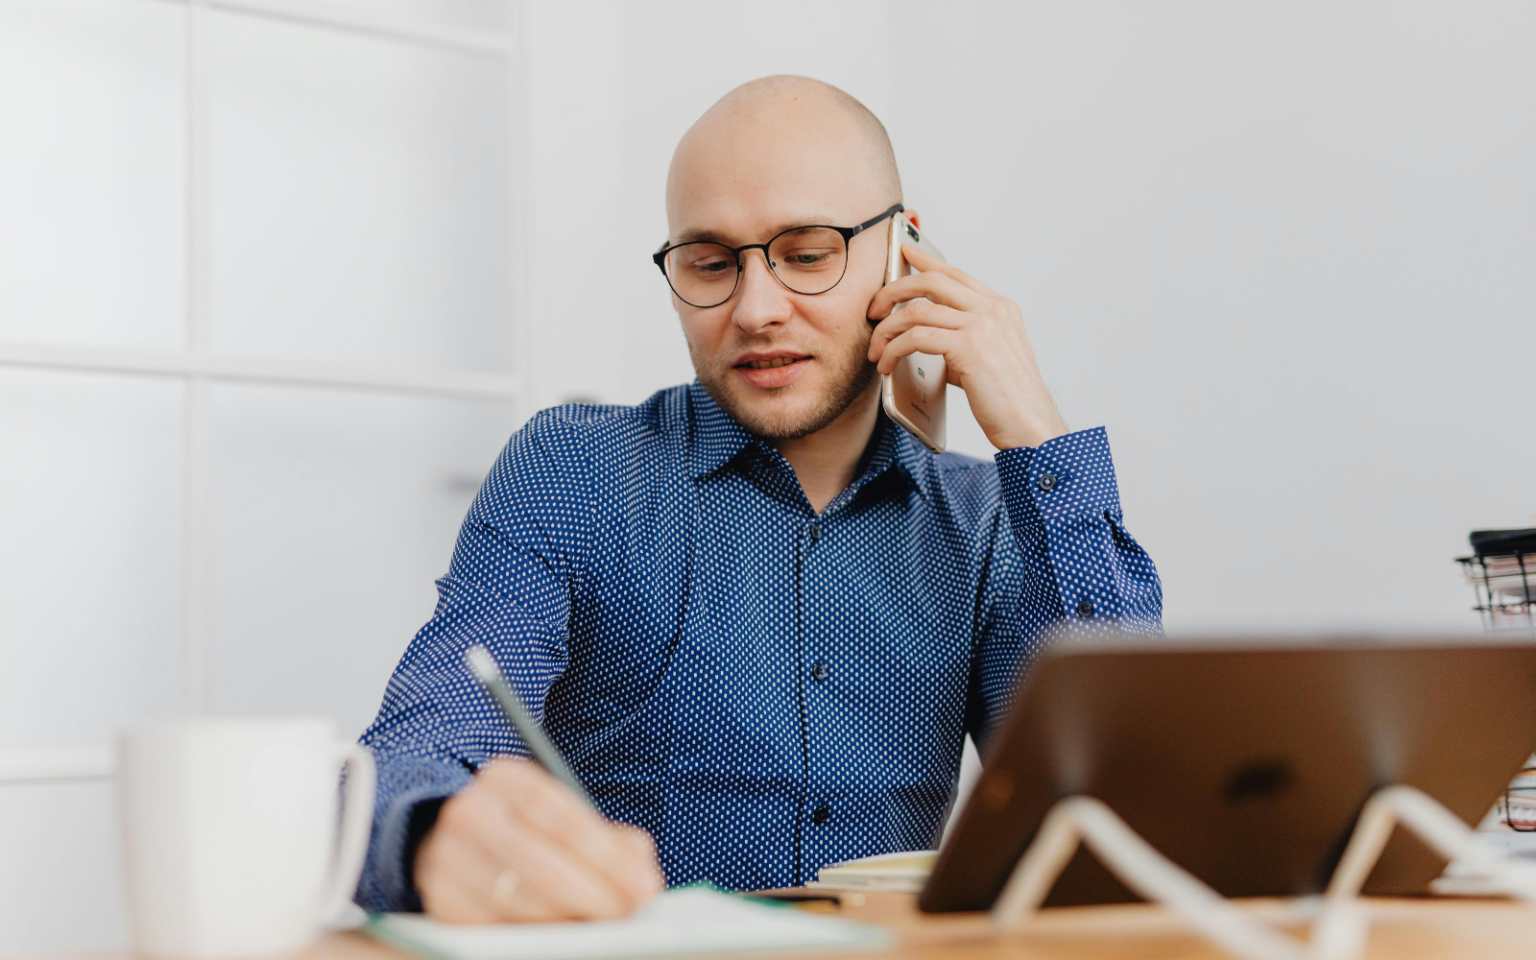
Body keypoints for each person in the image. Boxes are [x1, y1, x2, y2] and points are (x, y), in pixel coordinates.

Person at [355, 75, 1161, 922]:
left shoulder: (991, 517)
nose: (757, 310)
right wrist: (436, 834)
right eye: (709, 264)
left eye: (807, 253)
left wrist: (1037, 435)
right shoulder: (574, 473)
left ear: (903, 253)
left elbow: (1127, 817)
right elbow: (419, 745)